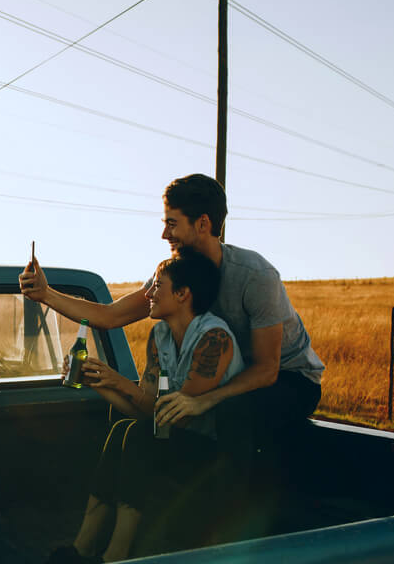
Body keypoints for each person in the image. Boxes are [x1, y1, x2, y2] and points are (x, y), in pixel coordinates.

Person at [19, 172, 323, 438]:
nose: (164, 234)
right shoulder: (171, 275)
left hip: (289, 378)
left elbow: (267, 369)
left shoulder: (255, 276)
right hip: (225, 371)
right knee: (146, 415)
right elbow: (110, 316)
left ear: (203, 223)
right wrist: (46, 294)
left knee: (230, 414)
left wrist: (205, 400)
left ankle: (234, 501)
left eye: (172, 224)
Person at [39, 247, 244, 564]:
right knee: (126, 427)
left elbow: (175, 418)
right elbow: (143, 409)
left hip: (214, 447)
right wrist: (98, 382)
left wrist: (118, 381)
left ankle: (115, 556)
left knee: (139, 436)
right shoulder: (160, 334)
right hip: (171, 436)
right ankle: (83, 546)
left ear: (182, 294)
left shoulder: (213, 339)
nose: (148, 293)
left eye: (157, 286)